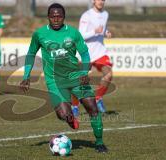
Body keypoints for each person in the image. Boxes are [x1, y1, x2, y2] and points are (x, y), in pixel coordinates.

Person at [20, 3, 108, 153]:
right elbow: (30, 54)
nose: (56, 19)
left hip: (76, 77)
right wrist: (26, 76)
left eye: (59, 16)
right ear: (48, 17)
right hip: (55, 81)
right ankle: (71, 119)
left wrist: (84, 73)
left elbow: (85, 54)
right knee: (63, 115)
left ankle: (99, 143)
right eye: (53, 16)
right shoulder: (39, 34)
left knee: (93, 108)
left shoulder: (73, 33)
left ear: (64, 17)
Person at [71, 0, 113, 116]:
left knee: (108, 74)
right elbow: (81, 35)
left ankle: (98, 99)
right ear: (93, 1)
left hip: (100, 52)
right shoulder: (87, 15)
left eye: (103, 0)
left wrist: (106, 32)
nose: (101, 2)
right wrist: (94, 31)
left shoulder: (105, 14)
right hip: (86, 53)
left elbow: (103, 28)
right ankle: (74, 106)